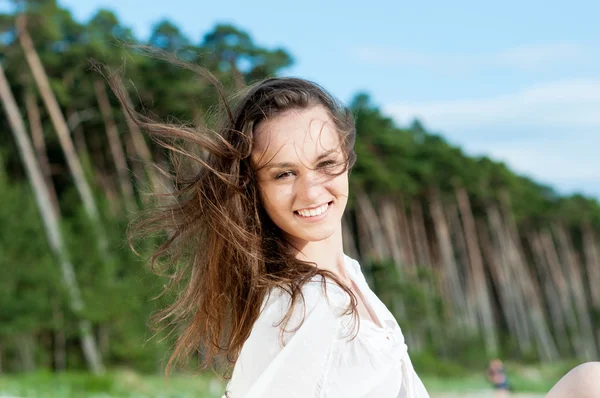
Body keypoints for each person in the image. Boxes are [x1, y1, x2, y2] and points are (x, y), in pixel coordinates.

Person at [109, 60, 600, 397]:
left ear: (347, 157)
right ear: (254, 188)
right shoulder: (306, 304)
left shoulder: (348, 276)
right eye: (283, 174)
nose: (311, 191)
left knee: (588, 380)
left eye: (325, 163)